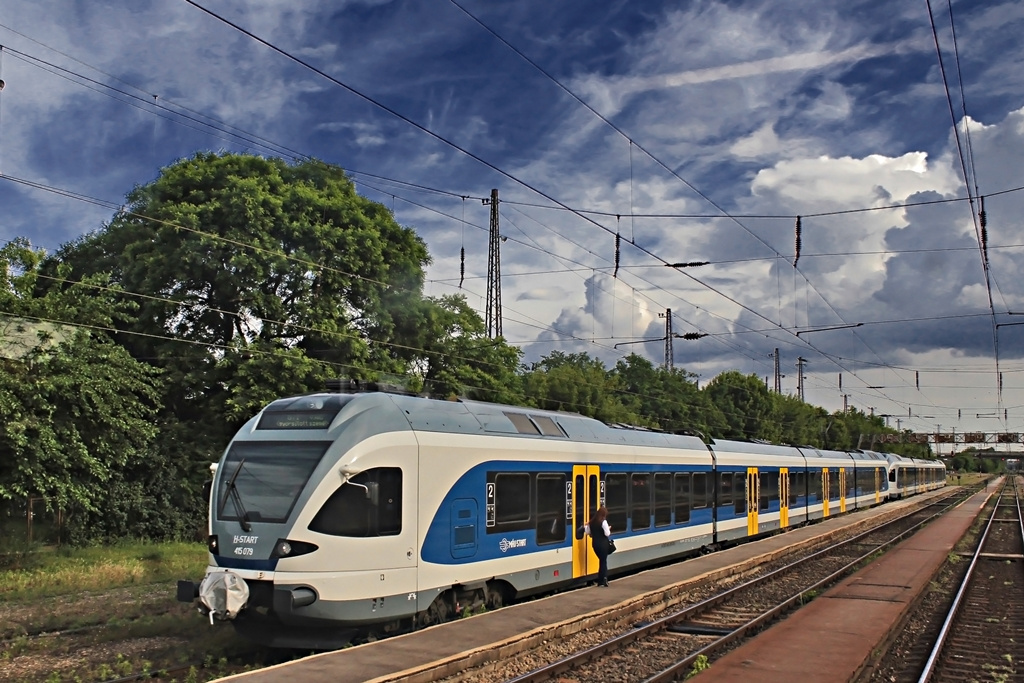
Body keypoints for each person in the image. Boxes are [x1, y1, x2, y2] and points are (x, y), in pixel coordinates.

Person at [585, 506, 612, 587]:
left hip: (595, 544)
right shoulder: (603, 522)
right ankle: (603, 579)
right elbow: (607, 534)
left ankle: (601, 580)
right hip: (603, 544)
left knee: (601, 561)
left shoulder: (591, 522)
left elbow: (587, 532)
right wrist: (608, 528)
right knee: (603, 561)